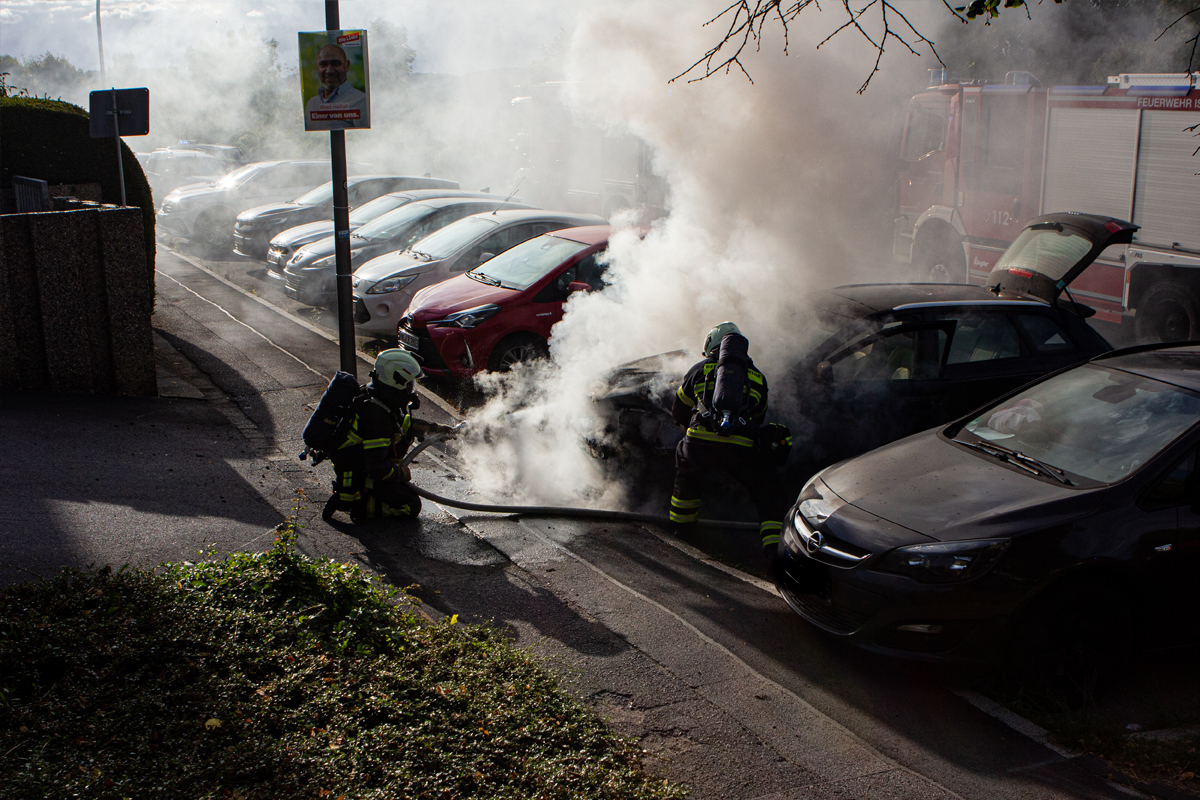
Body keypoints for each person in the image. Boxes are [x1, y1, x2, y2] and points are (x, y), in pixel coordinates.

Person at [668, 322, 786, 572]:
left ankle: (682, 532)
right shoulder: (757, 377)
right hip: (741, 450)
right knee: (767, 493)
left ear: (712, 345)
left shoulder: (699, 370)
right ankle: (774, 551)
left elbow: (678, 408)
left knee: (686, 477)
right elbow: (759, 417)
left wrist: (690, 432)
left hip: (698, 445)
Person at [324, 349, 451, 522]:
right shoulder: (376, 415)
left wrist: (433, 429)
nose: (411, 391)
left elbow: (401, 425)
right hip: (362, 477)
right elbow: (377, 469)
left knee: (404, 494)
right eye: (409, 385)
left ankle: (365, 499)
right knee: (410, 506)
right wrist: (402, 473)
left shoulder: (378, 399)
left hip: (363, 466)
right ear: (396, 380)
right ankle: (362, 507)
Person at [305, 43, 370, 130]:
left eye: (336, 64)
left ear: (347, 66)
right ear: (317, 68)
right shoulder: (311, 104)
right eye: (323, 64)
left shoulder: (361, 102)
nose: (329, 71)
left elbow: (364, 139)